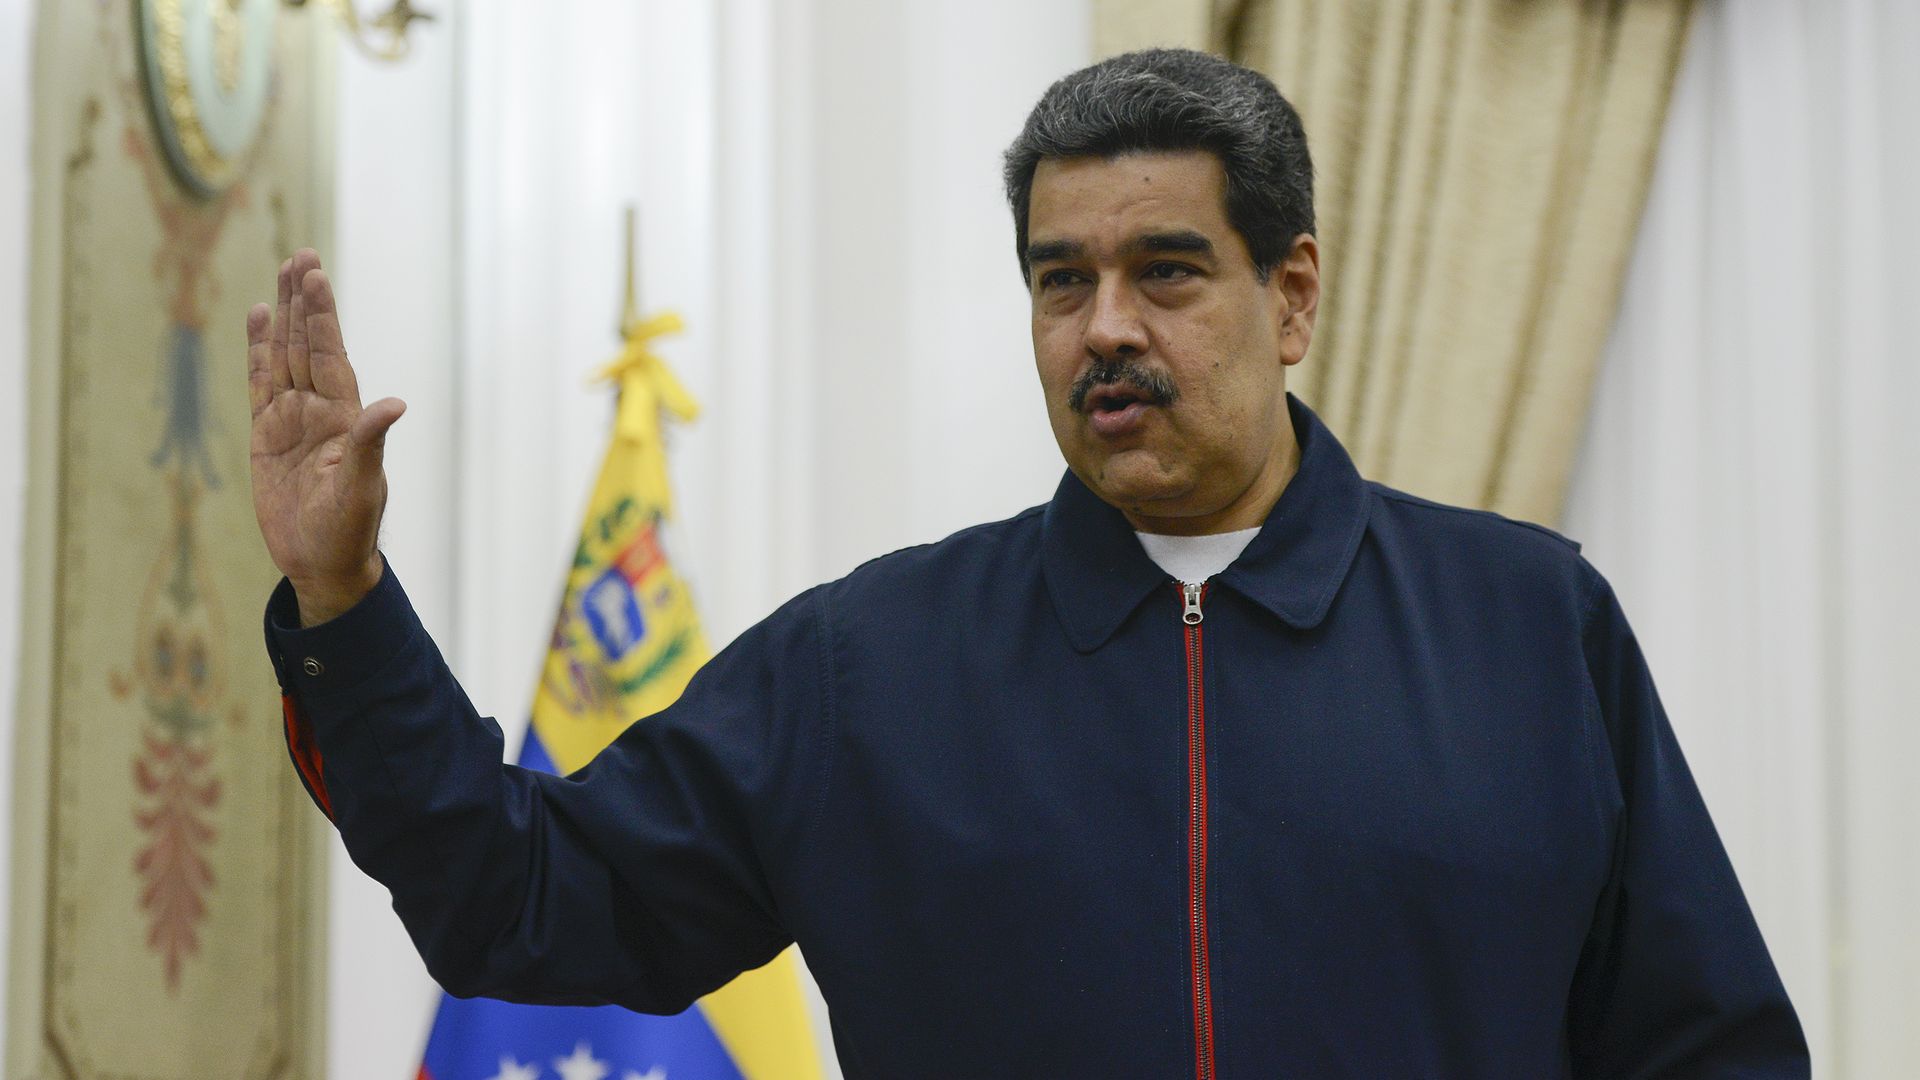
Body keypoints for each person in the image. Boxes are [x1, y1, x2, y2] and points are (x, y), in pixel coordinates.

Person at [249, 49, 1808, 1078]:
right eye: (1063, 282)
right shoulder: (873, 665)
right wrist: (346, 607)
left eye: (1168, 271)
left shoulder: (1528, 629)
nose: (1107, 327)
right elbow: (523, 902)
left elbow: (1710, 1051)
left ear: (1294, 295)